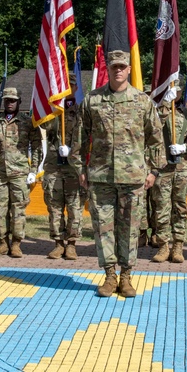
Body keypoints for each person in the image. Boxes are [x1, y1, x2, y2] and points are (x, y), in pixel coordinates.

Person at [71, 50, 166, 297]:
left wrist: (154, 170)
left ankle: (126, 276)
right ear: (108, 69)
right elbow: (79, 137)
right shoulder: (92, 101)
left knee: (130, 229)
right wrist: (80, 168)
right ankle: (110, 276)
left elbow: (156, 139)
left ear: (129, 69)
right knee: (103, 228)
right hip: (101, 176)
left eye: (122, 66)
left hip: (133, 177)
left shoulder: (142, 101)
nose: (118, 70)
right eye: (114, 67)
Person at [0, 87, 41, 258]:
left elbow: (37, 147)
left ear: (19, 102)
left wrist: (33, 170)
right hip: (0, 172)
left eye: (13, 100)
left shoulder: (27, 122)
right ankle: (2, 243)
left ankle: (16, 244)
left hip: (20, 172)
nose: (10, 103)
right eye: (7, 100)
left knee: (18, 209)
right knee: (0, 209)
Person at [150, 89, 187, 263]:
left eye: (177, 90)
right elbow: (153, 126)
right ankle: (163, 245)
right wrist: (164, 104)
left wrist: (184, 148)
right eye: (171, 90)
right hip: (162, 166)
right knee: (161, 207)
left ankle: (178, 245)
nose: (174, 93)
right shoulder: (158, 111)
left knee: (180, 208)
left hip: (181, 167)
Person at [41, 78, 82, 260]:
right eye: (63, 86)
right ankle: (58, 243)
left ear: (75, 88)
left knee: (74, 207)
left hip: (74, 167)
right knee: (55, 206)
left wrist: (72, 150)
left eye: (70, 86)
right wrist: (54, 109)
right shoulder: (54, 111)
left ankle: (71, 244)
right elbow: (42, 124)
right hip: (54, 166)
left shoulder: (82, 111)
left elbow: (87, 136)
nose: (67, 90)